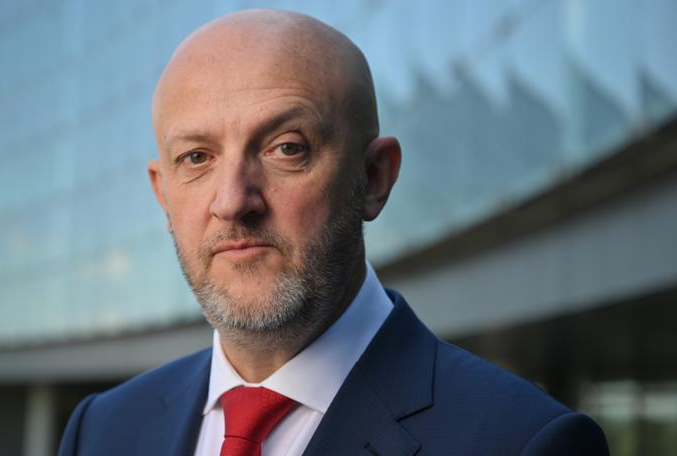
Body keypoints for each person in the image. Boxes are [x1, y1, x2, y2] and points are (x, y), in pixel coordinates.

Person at [59, 9, 609, 456]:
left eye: (286, 148)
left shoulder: (523, 443)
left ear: (374, 179)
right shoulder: (102, 431)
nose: (232, 202)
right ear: (163, 194)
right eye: (197, 158)